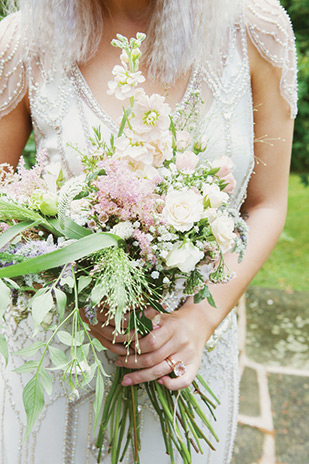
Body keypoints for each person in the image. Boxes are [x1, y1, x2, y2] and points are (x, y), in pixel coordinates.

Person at [0, 0, 297, 463]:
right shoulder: (23, 42)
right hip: (61, 361)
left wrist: (200, 319)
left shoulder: (255, 29)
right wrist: (75, 296)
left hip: (190, 361)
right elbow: (4, 212)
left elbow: (268, 204)